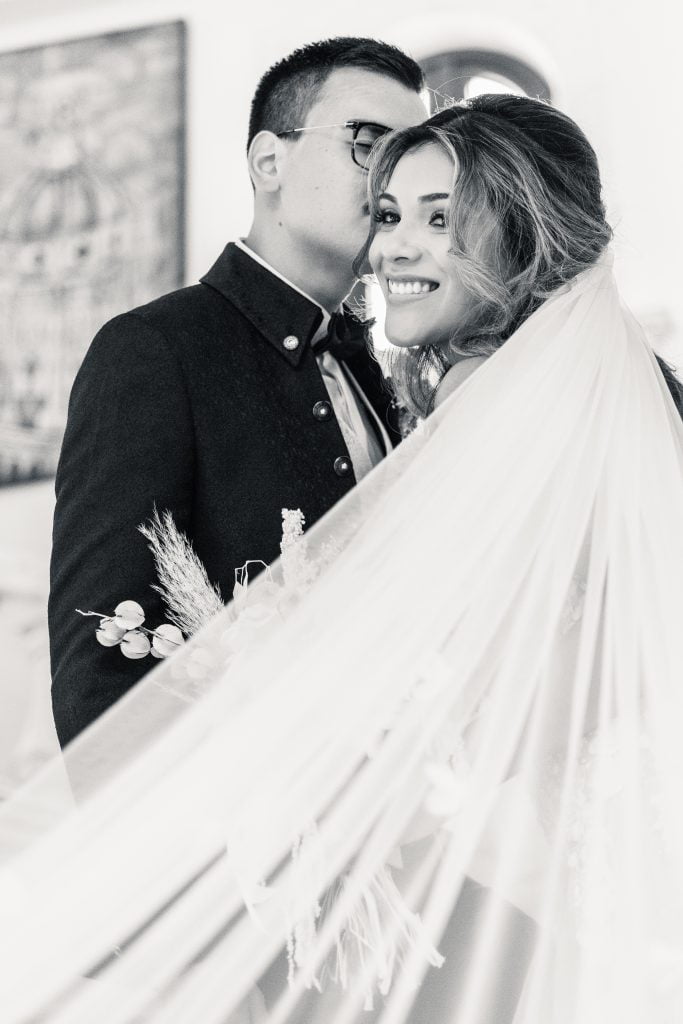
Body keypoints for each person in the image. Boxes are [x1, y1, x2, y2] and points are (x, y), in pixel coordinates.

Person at [3, 95, 683, 1024]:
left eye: (439, 220)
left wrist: (352, 792)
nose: (391, 247)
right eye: (389, 214)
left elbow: (519, 677)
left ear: (522, 233)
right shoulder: (611, 387)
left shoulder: (498, 400)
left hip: (502, 878)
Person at [47, 37, 428, 748]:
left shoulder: (373, 372)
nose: (391, 181)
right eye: (369, 142)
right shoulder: (157, 350)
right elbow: (98, 665)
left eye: (409, 154)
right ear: (268, 161)